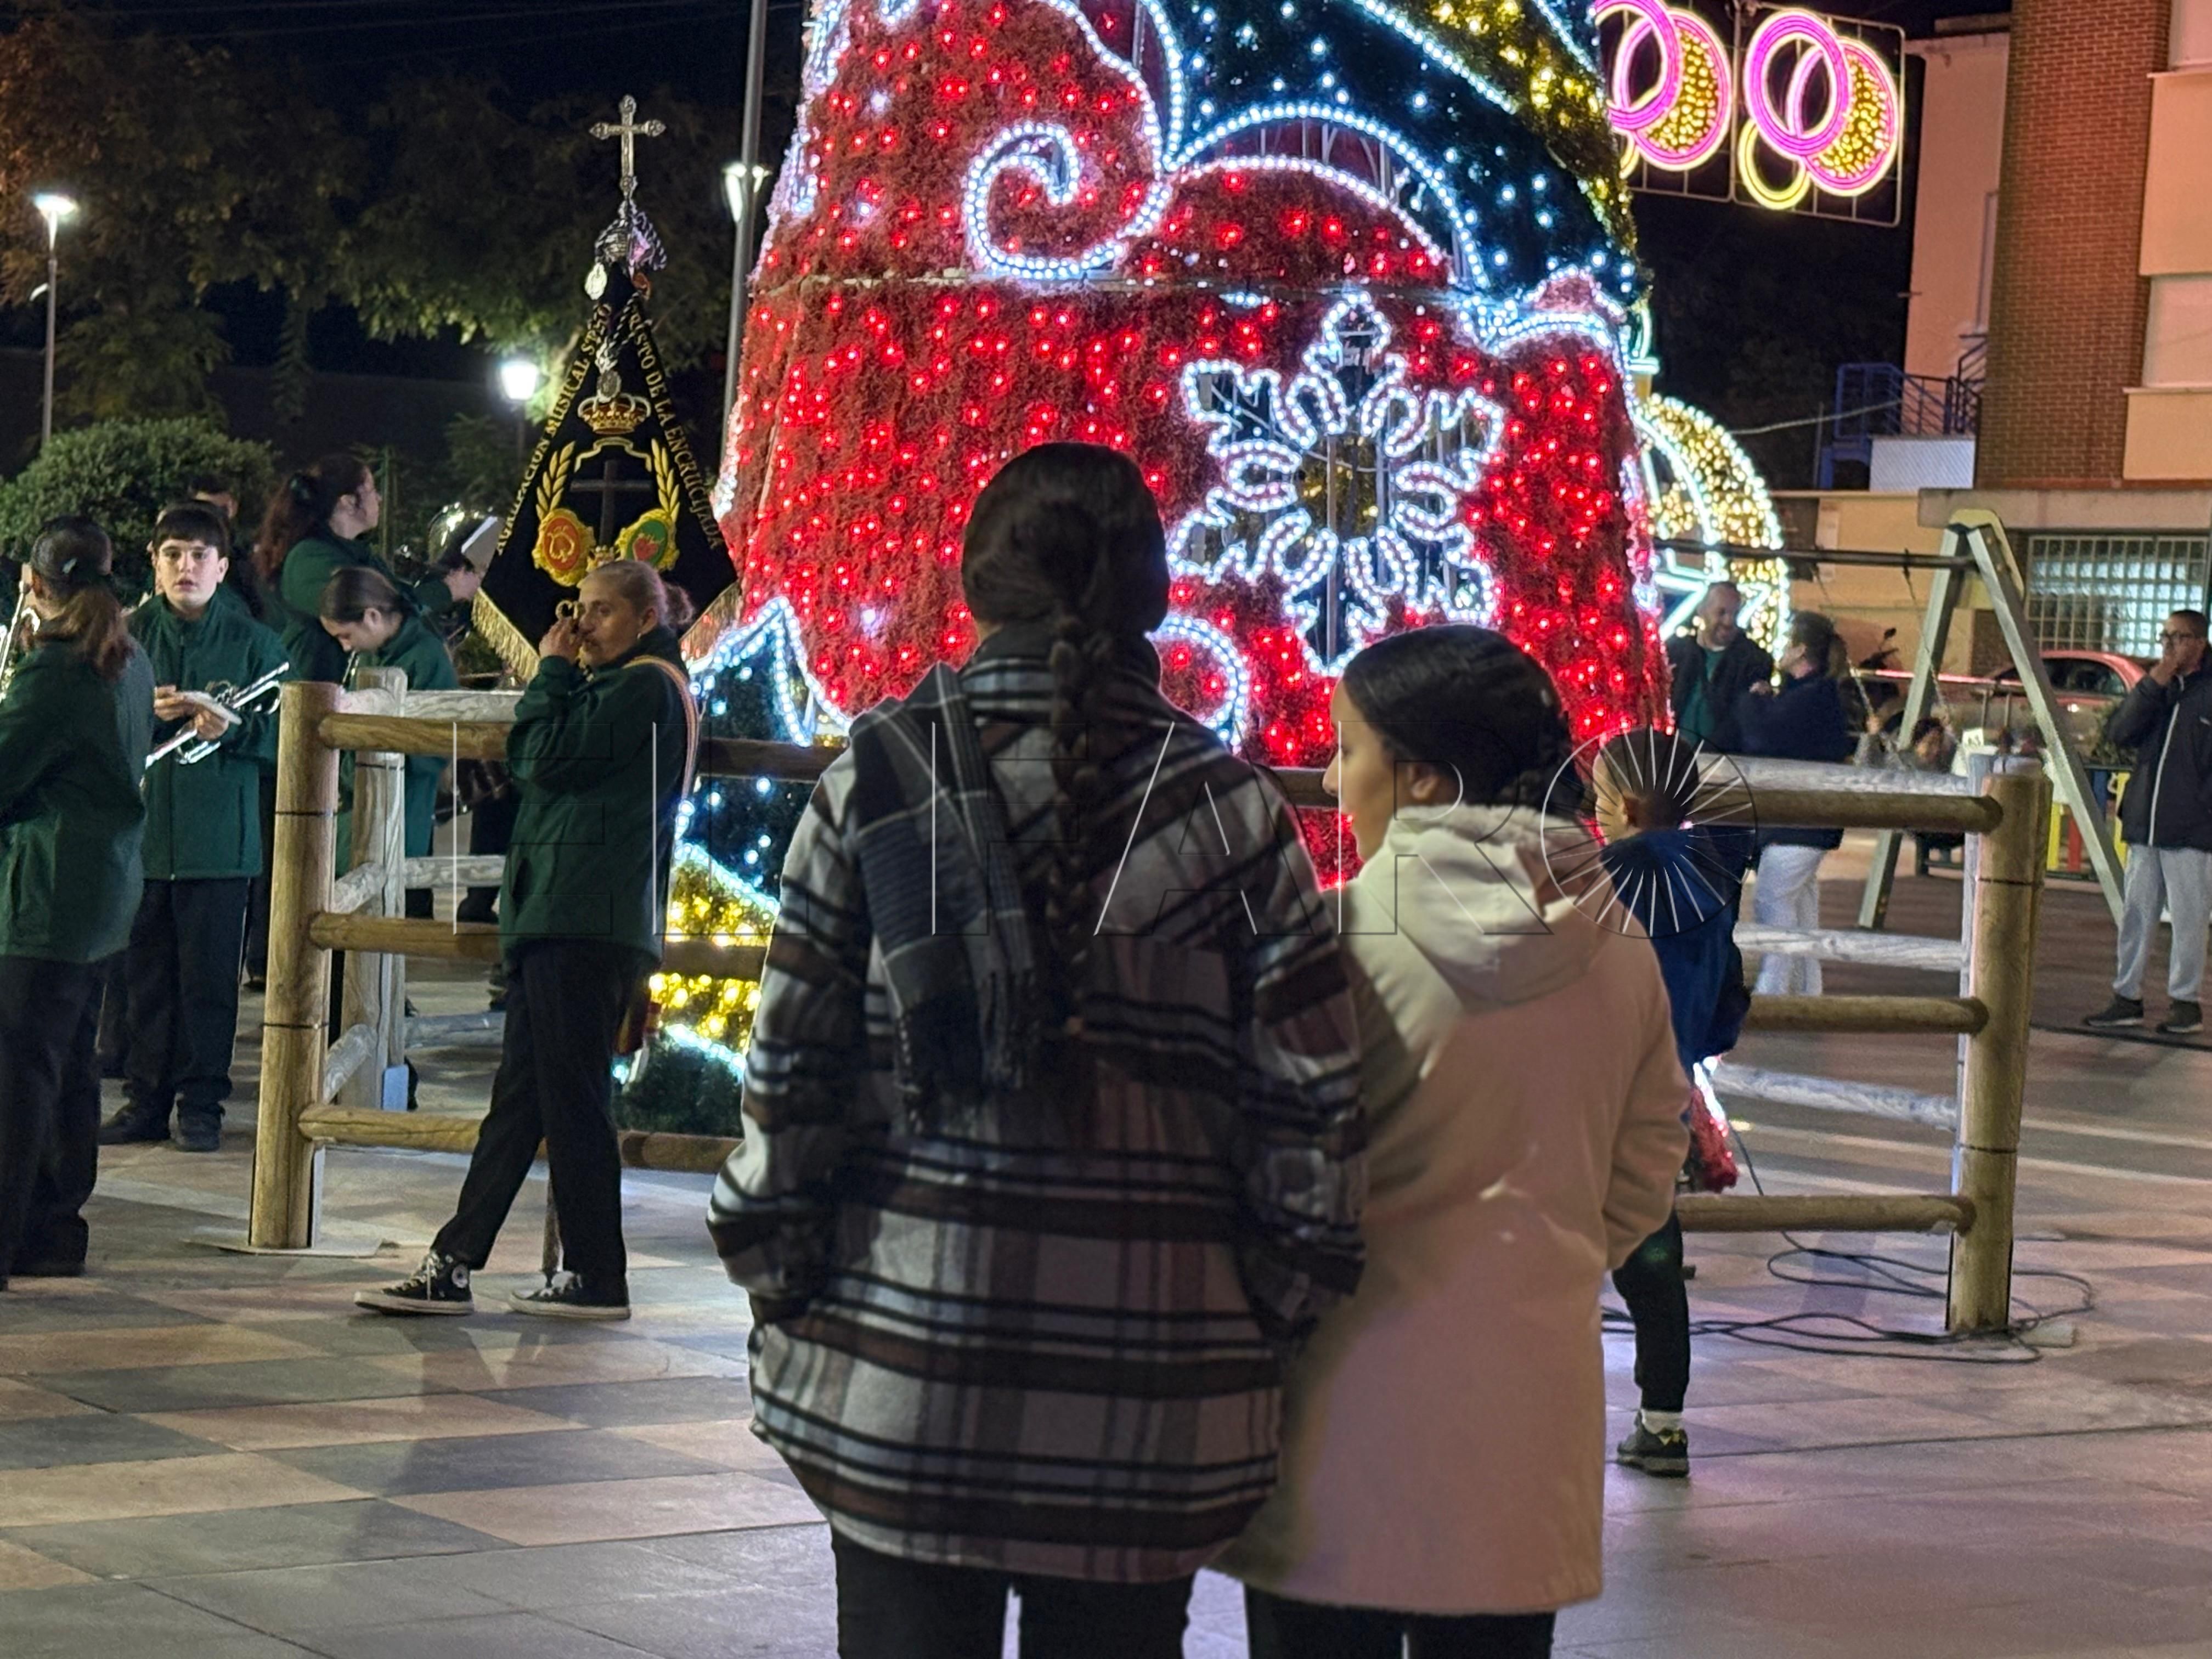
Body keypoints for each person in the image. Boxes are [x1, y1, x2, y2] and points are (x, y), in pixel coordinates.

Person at [707, 443, 1364, 1659]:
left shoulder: (875, 784)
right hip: (1154, 1401)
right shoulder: (1232, 810)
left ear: (975, 582)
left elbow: (789, 1082)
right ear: (1153, 592)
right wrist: (1260, 1311)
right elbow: (1312, 1114)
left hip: (902, 1382)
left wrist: (784, 1277)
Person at [1220, 625, 1686, 1658]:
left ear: (1422, 777)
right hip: (1528, 1411)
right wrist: (1548, 1253)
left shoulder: (1335, 937)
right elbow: (1647, 1168)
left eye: (1348, 749)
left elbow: (1261, 1165)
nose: (1333, 781)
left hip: (1341, 1411)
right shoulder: (1620, 947)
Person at [356, 557, 696, 1321]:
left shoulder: (644, 687)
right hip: (562, 915)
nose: (581, 625)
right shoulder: (619, 684)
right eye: (578, 608)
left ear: (648, 619)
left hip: (583, 919)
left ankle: (598, 1274)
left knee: (574, 1103)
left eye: (603, 611)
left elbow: (542, 760)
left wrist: (551, 672)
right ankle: (453, 1263)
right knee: (520, 1103)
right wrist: (566, 679)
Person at [97, 504, 288, 1154]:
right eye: (173, 554)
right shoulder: (123, 638)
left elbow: (289, 738)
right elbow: (90, 728)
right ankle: (145, 1101)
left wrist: (235, 731)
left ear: (223, 567)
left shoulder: (257, 644)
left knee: (209, 985)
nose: (187, 567)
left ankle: (202, 1105)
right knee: (145, 982)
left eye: (201, 556)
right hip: (142, 842)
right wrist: (142, 716)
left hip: (220, 846)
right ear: (154, 563)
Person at [1589, 728, 1753, 1481]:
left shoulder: (1598, 881)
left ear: (1624, 806)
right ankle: (1663, 1425)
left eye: (1598, 797)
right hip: (1664, 1097)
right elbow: (1727, 1006)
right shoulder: (1712, 887)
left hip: (1590, 1094)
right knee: (1655, 1258)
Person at [0, 518, 155, 1286]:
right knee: (68, 1069)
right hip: (104, 889)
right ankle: (56, 1229)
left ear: (33, 586)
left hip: (48, 890)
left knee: (19, 1071)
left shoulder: (56, 670)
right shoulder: (129, 658)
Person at [2085, 610, 2212, 1036]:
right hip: (2145, 824)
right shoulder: (2160, 689)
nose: (2169, 645)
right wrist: (2153, 684)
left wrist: (2204, 809)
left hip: (2192, 829)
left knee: (2189, 918)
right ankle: (2128, 997)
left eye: (2179, 637)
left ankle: (2186, 1002)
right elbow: (2120, 734)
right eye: (2165, 637)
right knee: (2136, 915)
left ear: (2200, 643)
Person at [254, 453, 479, 686]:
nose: (379, 498)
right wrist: (447, 591)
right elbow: (384, 605)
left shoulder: (355, 552)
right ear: (348, 502)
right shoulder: (308, 559)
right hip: (313, 686)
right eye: (372, 490)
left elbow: (398, 596)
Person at [320, 566, 460, 916]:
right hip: (355, 802)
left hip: (401, 802)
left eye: (346, 635)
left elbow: (439, 742)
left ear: (372, 617)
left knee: (391, 911)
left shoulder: (427, 657)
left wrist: (374, 744)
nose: (345, 646)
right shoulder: (371, 653)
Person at [1738, 611, 1856, 996]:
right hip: (1810, 821)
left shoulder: (1810, 698)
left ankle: (1772, 991)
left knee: (1772, 900)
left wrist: (1753, 702)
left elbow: (1762, 737)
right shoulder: (1815, 695)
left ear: (1801, 650)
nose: (1780, 649)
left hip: (1799, 822)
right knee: (1802, 911)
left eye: (1786, 641)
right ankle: (1808, 993)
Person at [1667, 582, 1774, 753]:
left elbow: (1739, 722)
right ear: (1702, 611)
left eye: (1735, 614)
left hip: (1722, 761)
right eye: (1721, 613)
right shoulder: (1675, 652)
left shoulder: (1755, 661)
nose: (1728, 621)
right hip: (1672, 757)